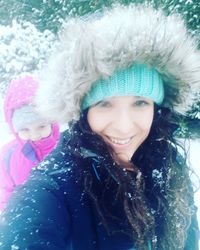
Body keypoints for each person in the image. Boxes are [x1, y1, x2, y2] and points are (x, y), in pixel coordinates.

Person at [0, 4, 199, 250]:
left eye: (140, 102)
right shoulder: (56, 186)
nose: (124, 126)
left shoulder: (170, 161)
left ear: (157, 109)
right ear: (83, 113)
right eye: (104, 104)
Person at [0, 76, 60, 211]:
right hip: (30, 222)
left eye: (41, 126)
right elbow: (6, 193)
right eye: (25, 130)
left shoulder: (66, 147)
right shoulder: (7, 156)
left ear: (52, 122)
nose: (34, 136)